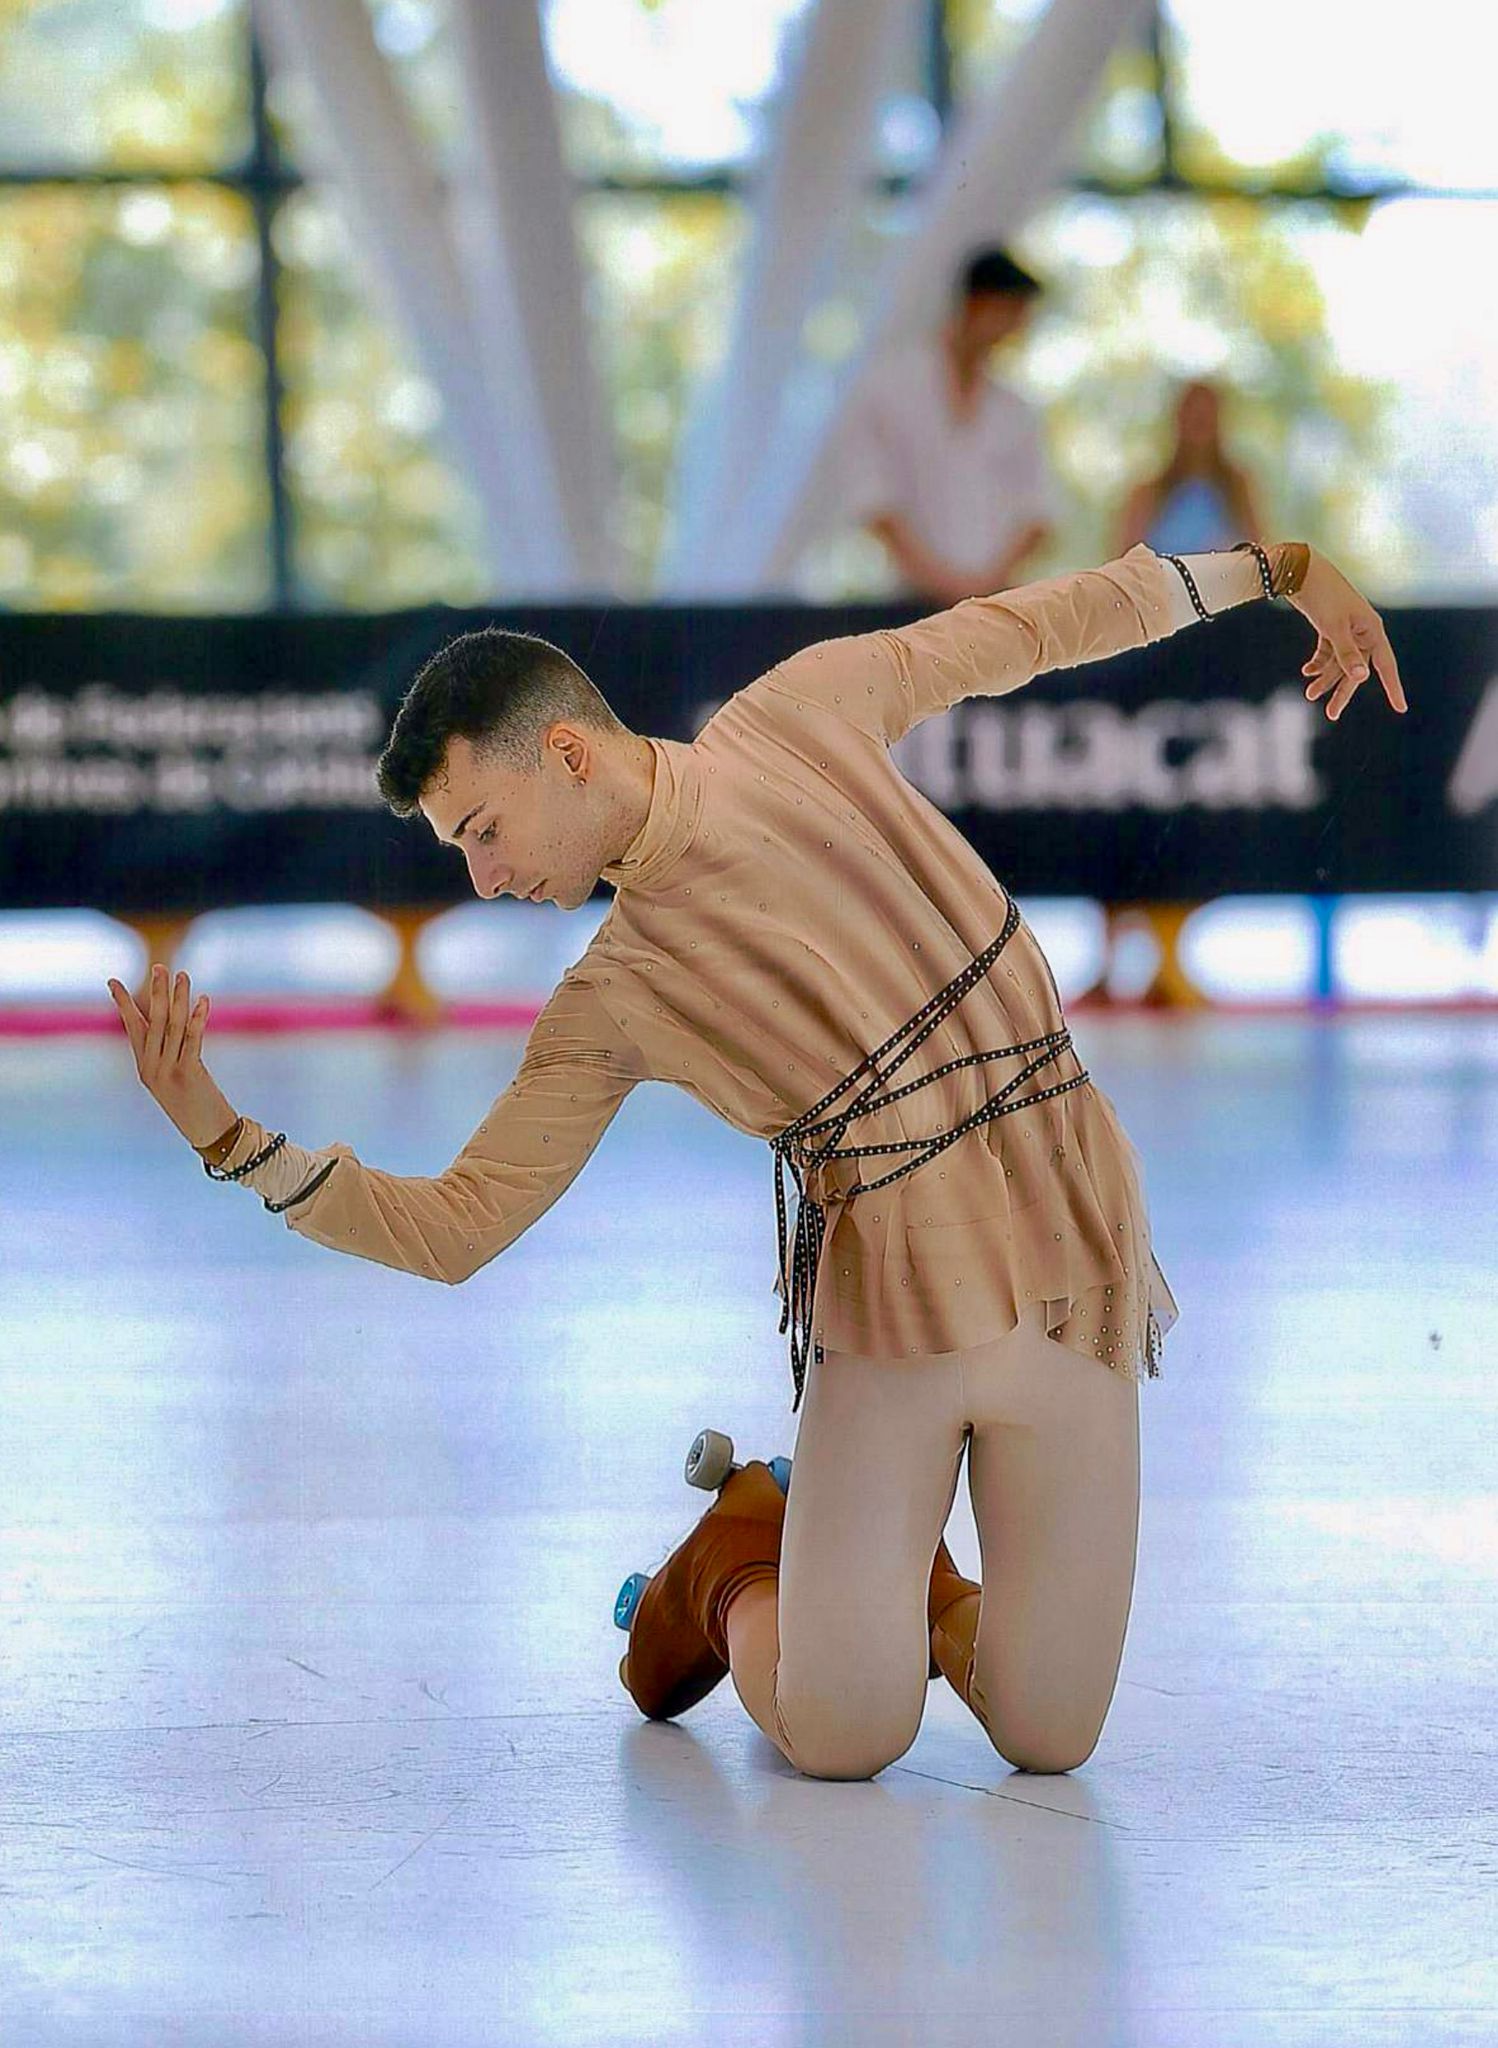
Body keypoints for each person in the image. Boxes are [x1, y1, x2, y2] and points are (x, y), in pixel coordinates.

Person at [109, 537, 1405, 1784]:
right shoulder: (608, 1000)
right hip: (893, 1296)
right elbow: (460, 1226)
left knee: (1047, 1732)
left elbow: (1031, 627)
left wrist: (1279, 571)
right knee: (847, 1739)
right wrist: (229, 1141)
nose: (486, 878)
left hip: (1070, 1230)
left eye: (484, 831)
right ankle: (737, 1555)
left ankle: (897, 1584)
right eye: (465, 853)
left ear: (564, 752)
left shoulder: (797, 716)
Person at [840, 246, 1059, 604]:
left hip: (994, 603)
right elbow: (872, 500)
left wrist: (987, 583)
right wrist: (942, 582)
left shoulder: (1016, 409)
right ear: (978, 305)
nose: (1016, 330)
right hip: (907, 602)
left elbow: (1038, 512)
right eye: (1011, 314)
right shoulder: (888, 389)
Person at [1117, 378, 1269, 557]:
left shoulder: (1239, 491)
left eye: (1205, 419)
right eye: (1194, 418)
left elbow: (1262, 557)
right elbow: (1124, 565)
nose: (1199, 428)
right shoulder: (1148, 494)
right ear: (1178, 421)